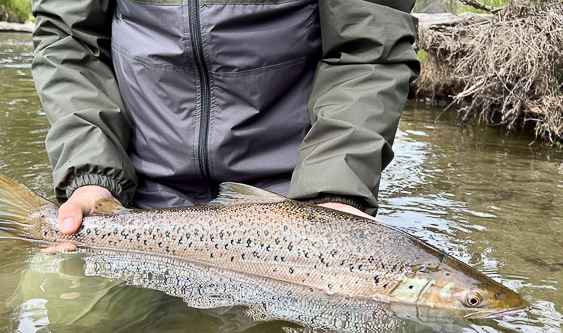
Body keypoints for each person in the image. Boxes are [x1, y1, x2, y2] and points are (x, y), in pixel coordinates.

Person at [30, 0, 420, 234]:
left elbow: (370, 49)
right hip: (131, 200)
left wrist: (335, 192)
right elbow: (69, 41)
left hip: (294, 207)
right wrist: (91, 177)